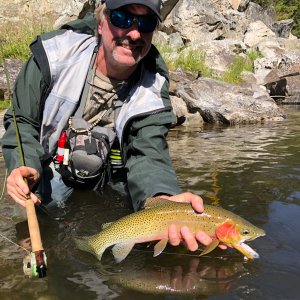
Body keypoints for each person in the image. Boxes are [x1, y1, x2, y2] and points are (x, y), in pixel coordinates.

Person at [2, 0, 225, 253]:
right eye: (121, 18)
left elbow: (148, 154)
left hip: (111, 175)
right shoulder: (54, 55)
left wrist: (161, 201)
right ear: (101, 22)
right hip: (48, 167)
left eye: (146, 23)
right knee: (34, 218)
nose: (133, 33)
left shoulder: (153, 86)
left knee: (141, 243)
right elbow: (22, 120)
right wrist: (23, 163)